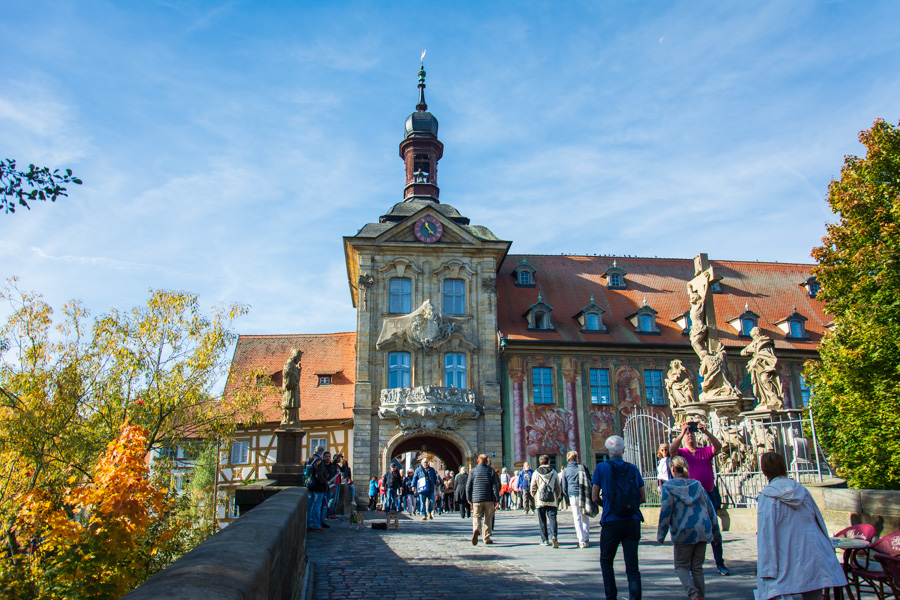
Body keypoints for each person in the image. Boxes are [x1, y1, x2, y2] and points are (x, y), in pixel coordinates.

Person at [756, 452, 846, 600]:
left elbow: (766, 531)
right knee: (813, 590)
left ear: (764, 470)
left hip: (784, 552)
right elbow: (817, 520)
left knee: (778, 591)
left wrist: (766, 566)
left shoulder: (768, 495)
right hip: (812, 548)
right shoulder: (801, 490)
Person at [670, 421, 731, 576]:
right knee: (692, 527)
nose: (690, 435)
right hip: (691, 495)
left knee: (714, 527)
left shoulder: (704, 451)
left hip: (708, 493)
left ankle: (720, 563)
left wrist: (707, 432)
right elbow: (672, 450)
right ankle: (692, 564)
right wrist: (682, 433)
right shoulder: (682, 453)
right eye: (688, 434)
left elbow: (718, 447)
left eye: (692, 433)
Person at [657, 456, 721, 600]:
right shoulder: (697, 485)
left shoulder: (668, 487)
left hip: (683, 531)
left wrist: (661, 534)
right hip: (702, 529)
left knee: (681, 566)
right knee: (697, 568)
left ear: (672, 469)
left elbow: (666, 511)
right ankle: (700, 596)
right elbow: (710, 509)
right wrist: (716, 534)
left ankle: (693, 593)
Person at [592, 435, 645, 600]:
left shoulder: (601, 468)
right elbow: (642, 498)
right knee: (632, 566)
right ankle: (635, 597)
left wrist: (609, 506)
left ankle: (611, 596)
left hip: (611, 521)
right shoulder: (633, 469)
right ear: (623, 450)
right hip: (633, 520)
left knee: (607, 561)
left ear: (607, 451)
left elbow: (594, 497)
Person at [561, 450, 593, 548]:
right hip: (583, 494)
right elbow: (589, 481)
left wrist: (566, 499)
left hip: (572, 495)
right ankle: (586, 537)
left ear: (568, 459)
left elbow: (564, 486)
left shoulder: (566, 470)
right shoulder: (582, 468)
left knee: (577, 518)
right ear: (577, 458)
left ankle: (581, 540)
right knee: (585, 516)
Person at [466, 454, 499, 545]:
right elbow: (494, 486)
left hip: (476, 498)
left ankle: (476, 528)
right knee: (488, 518)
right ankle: (486, 537)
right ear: (487, 461)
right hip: (488, 499)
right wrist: (496, 499)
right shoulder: (491, 471)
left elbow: (468, 486)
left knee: (476, 516)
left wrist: (469, 498)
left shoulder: (473, 471)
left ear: (478, 461)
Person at [531, 454, 562, 548]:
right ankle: (554, 536)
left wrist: (535, 496)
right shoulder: (553, 472)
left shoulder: (536, 473)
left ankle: (544, 539)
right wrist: (557, 496)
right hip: (552, 499)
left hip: (540, 500)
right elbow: (558, 487)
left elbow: (532, 487)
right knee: (553, 519)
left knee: (542, 520)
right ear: (549, 462)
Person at [305, 446, 328, 531]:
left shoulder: (308, 459)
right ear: (321, 452)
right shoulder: (319, 461)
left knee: (309, 506)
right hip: (318, 487)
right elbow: (318, 475)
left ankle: (307, 524)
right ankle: (317, 525)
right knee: (317, 506)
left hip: (309, 485)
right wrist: (325, 482)